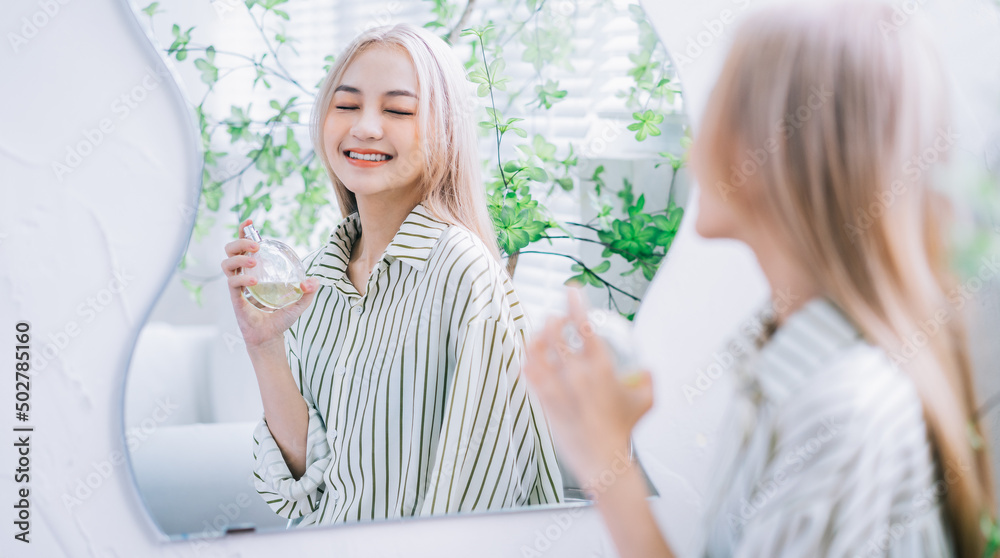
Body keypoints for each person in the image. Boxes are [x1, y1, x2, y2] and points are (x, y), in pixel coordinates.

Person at [523, 1, 997, 556]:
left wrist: (606, 459)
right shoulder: (784, 375)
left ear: (770, 149)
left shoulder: (841, 414)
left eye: (717, 104)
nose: (690, 147)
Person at [221, 23, 563, 527]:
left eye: (399, 110)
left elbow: (477, 501)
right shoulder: (320, 277)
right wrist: (263, 345)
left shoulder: (463, 274)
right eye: (347, 105)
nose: (366, 127)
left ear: (443, 129)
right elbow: (303, 490)